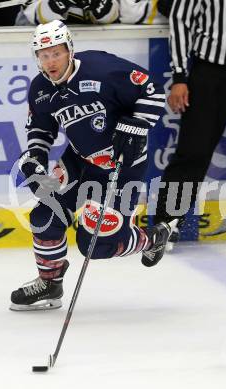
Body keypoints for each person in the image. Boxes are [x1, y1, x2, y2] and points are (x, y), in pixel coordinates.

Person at [10, 20, 171, 311]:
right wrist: (35, 160)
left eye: (56, 53)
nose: (50, 62)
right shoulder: (40, 88)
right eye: (44, 55)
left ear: (69, 49)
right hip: (80, 162)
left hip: (123, 164)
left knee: (96, 245)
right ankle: (50, 283)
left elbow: (153, 91)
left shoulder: (101, 68)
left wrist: (136, 125)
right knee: (45, 216)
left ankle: (153, 238)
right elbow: (41, 131)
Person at [154, 0, 226, 241]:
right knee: (193, 151)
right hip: (210, 74)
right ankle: (165, 225)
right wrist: (180, 75)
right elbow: (180, 21)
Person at [15, 0, 119, 26]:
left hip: (93, 44)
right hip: (39, 48)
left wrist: (97, 5)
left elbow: (110, 16)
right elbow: (37, 15)